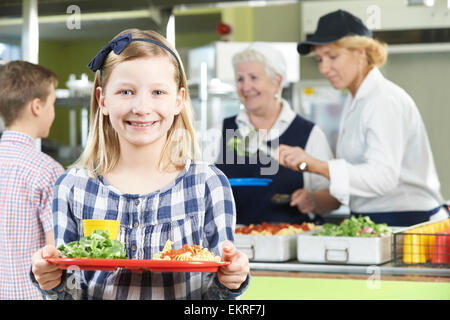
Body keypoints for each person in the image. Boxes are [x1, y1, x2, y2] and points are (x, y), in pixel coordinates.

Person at [30, 29, 250, 300]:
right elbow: (68, 293)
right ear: (103, 100)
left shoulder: (208, 184)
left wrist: (231, 280)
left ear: (179, 100)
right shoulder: (72, 187)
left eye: (158, 91)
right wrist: (51, 281)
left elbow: (217, 297)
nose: (142, 107)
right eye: (125, 92)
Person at [278, 9, 448, 227]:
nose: (323, 68)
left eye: (332, 57)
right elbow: (359, 176)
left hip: (407, 220)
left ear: (361, 52)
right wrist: (315, 197)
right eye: (320, 59)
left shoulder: (383, 99)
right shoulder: (356, 101)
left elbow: (382, 178)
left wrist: (316, 165)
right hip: (376, 220)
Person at [213, 42, 340, 226]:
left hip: (292, 246)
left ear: (277, 82)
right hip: (233, 246)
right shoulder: (221, 130)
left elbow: (334, 199)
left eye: (253, 77)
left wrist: (313, 199)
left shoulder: (308, 133)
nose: (245, 87)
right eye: (240, 79)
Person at [0, 61, 65, 299]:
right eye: (53, 103)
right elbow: (56, 255)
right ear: (37, 106)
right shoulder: (47, 171)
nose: (53, 112)